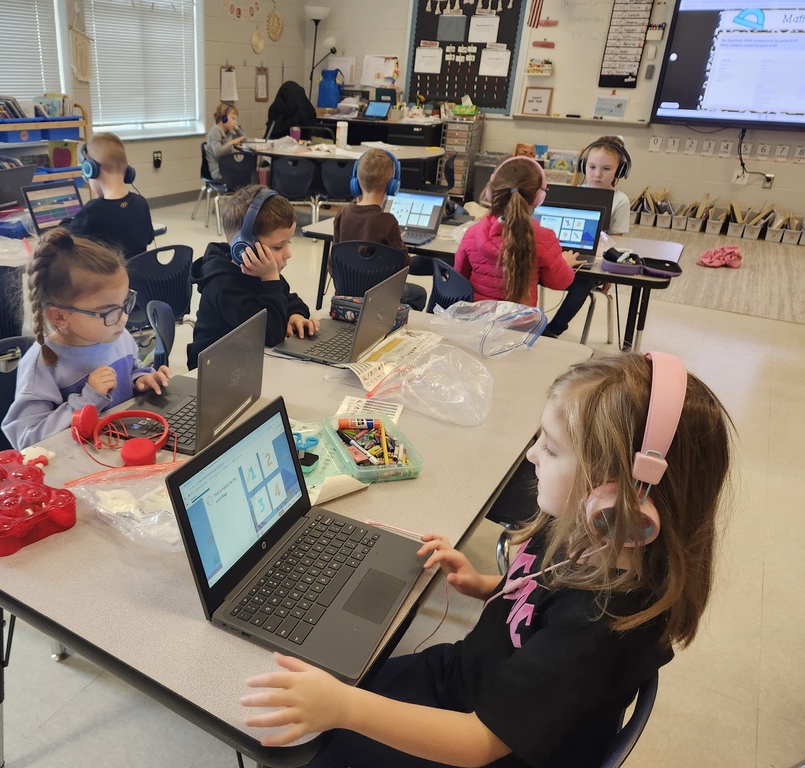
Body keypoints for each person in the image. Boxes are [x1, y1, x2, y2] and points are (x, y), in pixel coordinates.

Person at [242, 351, 734, 768]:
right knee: (341, 680)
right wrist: (482, 583)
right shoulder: (585, 531)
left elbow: (479, 744)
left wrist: (346, 710)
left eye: (552, 448)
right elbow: (537, 597)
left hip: (487, 742)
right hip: (469, 676)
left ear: (620, 495)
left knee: (319, 743)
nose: (533, 456)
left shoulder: (599, 626)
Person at [1, 228, 171, 449]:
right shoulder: (41, 364)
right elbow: (27, 439)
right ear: (60, 316)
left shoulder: (117, 336)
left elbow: (131, 369)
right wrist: (88, 399)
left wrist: (140, 380)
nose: (124, 318)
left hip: (119, 446)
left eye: (125, 303)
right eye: (109, 311)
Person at [187, 185, 319, 369]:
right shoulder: (223, 287)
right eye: (278, 247)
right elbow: (271, 334)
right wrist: (270, 278)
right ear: (243, 248)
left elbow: (290, 300)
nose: (288, 253)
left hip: (249, 363)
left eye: (288, 243)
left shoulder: (258, 271)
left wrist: (296, 316)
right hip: (215, 373)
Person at [455, 155, 580, 306]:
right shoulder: (543, 238)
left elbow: (459, 276)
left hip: (478, 321)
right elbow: (560, 282)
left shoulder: (472, 233)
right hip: (519, 325)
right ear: (538, 198)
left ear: (490, 191)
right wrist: (565, 264)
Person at [544, 136, 633, 338]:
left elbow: (616, 243)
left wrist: (610, 274)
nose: (597, 174)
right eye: (591, 167)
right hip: (561, 254)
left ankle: (553, 330)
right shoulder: (575, 193)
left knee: (582, 282)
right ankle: (524, 320)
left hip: (592, 263)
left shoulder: (621, 201)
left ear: (620, 171)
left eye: (606, 169)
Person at [332, 149, 427, 311]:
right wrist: (399, 241)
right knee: (419, 293)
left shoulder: (342, 213)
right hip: (378, 296)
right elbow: (402, 265)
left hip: (344, 294)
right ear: (392, 185)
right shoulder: (388, 221)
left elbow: (333, 262)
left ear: (355, 181)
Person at [68, 133, 155, 259]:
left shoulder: (92, 210)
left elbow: (67, 239)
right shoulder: (141, 203)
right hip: (139, 277)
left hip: (108, 278)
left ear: (90, 170)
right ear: (128, 172)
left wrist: (65, 223)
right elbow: (148, 239)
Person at [205, 102, 246, 182]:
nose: (235, 122)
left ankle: (244, 193)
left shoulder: (228, 132)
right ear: (224, 118)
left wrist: (237, 128)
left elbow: (244, 141)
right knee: (246, 173)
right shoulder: (215, 131)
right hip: (218, 172)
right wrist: (232, 142)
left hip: (226, 168)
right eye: (233, 118)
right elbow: (218, 152)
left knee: (248, 169)